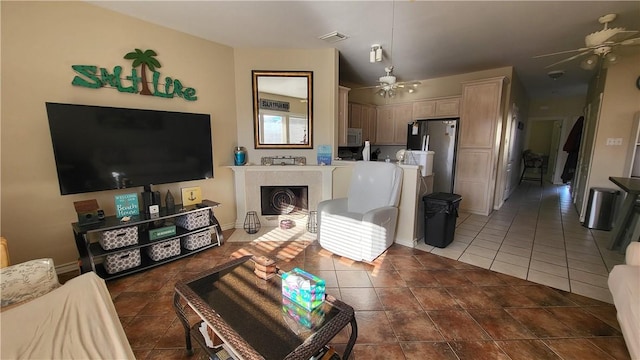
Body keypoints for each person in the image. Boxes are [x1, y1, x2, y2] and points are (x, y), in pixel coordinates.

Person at [561, 116, 584, 184]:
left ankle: (567, 178)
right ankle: (567, 178)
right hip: (574, 151)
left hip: (575, 152)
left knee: (570, 166)